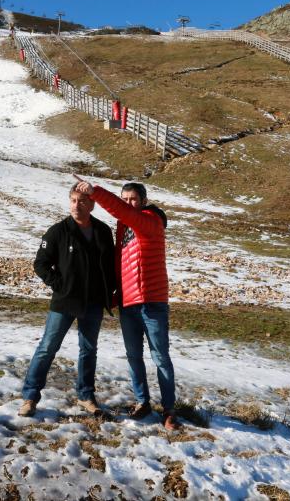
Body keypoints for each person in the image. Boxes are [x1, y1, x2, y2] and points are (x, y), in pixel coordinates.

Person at [73, 176, 180, 430]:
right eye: (125, 199)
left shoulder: (150, 220)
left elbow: (124, 212)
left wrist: (96, 191)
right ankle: (143, 402)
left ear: (143, 201)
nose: (128, 203)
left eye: (133, 199)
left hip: (152, 302)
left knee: (160, 357)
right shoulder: (123, 227)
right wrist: (114, 294)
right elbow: (121, 263)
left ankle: (169, 410)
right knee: (134, 356)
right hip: (128, 303)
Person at [18, 183, 116, 417]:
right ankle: (30, 396)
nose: (76, 205)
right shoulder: (58, 231)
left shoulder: (103, 231)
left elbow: (110, 266)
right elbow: (40, 263)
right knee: (47, 347)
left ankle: (86, 396)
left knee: (88, 350)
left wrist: (111, 291)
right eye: (73, 200)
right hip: (64, 301)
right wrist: (60, 285)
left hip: (93, 302)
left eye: (82, 201)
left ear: (91, 204)